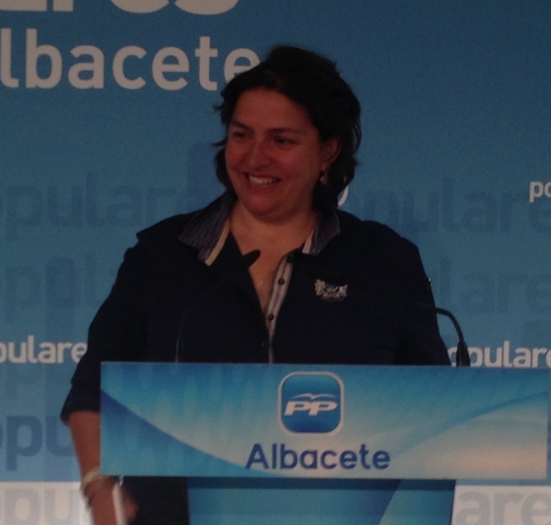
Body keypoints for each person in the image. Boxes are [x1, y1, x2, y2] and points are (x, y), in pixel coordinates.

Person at [61, 45, 450, 525]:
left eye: (281, 140)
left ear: (328, 151)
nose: (255, 157)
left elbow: (437, 414)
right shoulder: (162, 256)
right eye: (241, 135)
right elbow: (91, 390)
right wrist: (99, 486)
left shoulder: (383, 263)